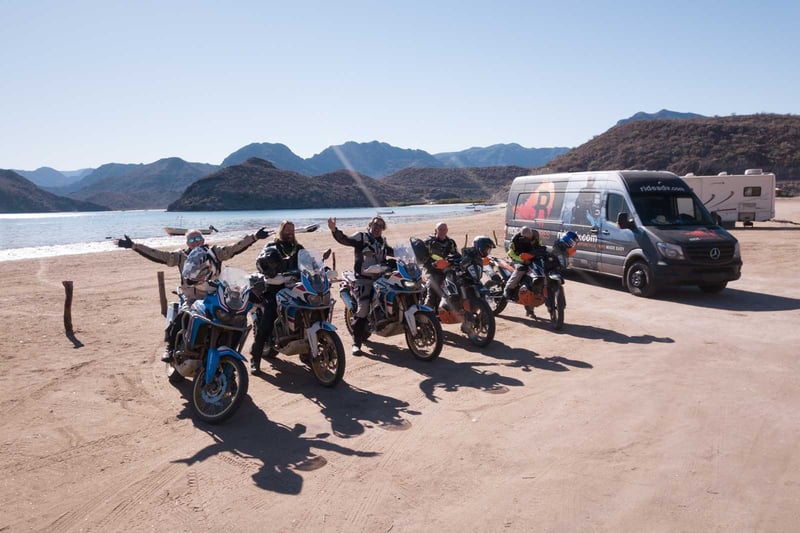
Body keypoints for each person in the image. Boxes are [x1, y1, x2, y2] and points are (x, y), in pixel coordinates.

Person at [116, 226, 270, 362]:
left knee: (234, 320)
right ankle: (170, 347)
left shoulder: (215, 253)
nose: (195, 241)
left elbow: (234, 248)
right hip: (192, 297)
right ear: (187, 242)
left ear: (203, 239)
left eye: (198, 238)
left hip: (214, 297)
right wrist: (134, 245)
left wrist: (254, 237)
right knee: (181, 317)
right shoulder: (180, 256)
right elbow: (159, 255)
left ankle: (228, 356)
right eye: (191, 239)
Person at [327, 215, 393, 355]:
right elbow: (345, 239)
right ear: (370, 225)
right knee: (363, 308)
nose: (377, 228)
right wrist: (334, 230)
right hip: (364, 279)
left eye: (380, 226)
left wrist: (408, 253)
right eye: (375, 225)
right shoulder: (361, 237)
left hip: (380, 278)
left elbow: (391, 252)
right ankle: (356, 343)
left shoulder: (382, 241)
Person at [249, 221, 304, 374]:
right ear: (281, 230)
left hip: (294, 287)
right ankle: (255, 358)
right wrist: (270, 272)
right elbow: (261, 262)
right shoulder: (272, 246)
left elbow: (309, 262)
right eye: (287, 229)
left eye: (292, 230)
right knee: (267, 321)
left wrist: (321, 268)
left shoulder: (298, 247)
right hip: (274, 288)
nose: (290, 232)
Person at [422, 221, 460, 311]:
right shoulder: (429, 242)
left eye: (444, 229)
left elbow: (456, 254)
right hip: (432, 270)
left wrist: (456, 260)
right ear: (436, 230)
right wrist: (431, 265)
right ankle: (426, 312)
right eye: (440, 229)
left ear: (447, 230)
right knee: (432, 289)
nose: (442, 231)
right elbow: (422, 257)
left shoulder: (450, 242)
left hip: (447, 269)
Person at [503, 226, 548, 301]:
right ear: (522, 235)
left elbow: (539, 246)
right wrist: (522, 260)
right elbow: (511, 254)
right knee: (521, 268)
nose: (530, 239)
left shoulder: (536, 235)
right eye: (527, 238)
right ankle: (508, 289)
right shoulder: (515, 240)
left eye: (530, 237)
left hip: (531, 255)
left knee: (543, 265)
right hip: (518, 257)